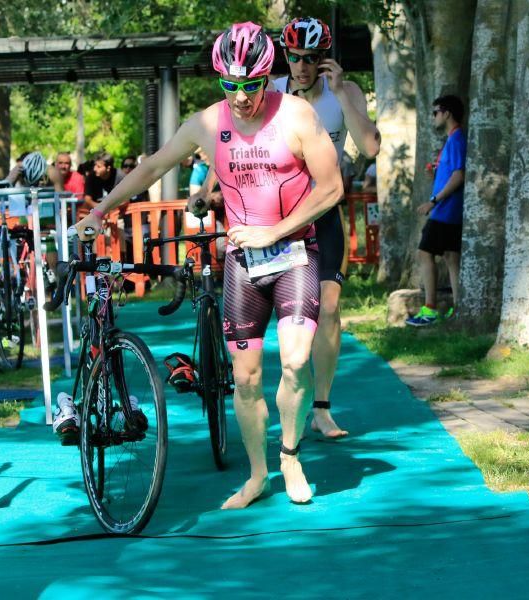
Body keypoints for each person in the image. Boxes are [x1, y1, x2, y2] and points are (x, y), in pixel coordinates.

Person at [75, 22, 343, 508]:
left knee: (297, 362)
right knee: (244, 378)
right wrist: (99, 209)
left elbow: (331, 188)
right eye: (231, 85)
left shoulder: (297, 115)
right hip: (244, 264)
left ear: (268, 76)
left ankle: (290, 455)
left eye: (252, 84)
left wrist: (274, 230)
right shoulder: (207, 121)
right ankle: (259, 474)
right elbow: (153, 166)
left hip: (295, 253)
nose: (241, 97)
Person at [272, 16, 381, 438]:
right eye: (295, 57)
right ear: (285, 56)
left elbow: (370, 146)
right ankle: (282, 401)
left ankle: (321, 408)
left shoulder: (346, 92)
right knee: (289, 316)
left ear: (324, 59)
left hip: (324, 214)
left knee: (330, 308)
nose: (302, 66)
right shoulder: (273, 95)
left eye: (311, 58)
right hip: (280, 218)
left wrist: (339, 92)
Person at [406, 95, 467, 327]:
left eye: (435, 112)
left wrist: (434, 200)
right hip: (448, 209)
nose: (433, 117)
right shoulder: (452, 140)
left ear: (447, 113)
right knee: (452, 257)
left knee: (424, 253)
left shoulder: (457, 139)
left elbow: (459, 175)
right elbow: (451, 172)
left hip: (445, 210)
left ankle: (429, 310)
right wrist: (436, 173)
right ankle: (459, 307)